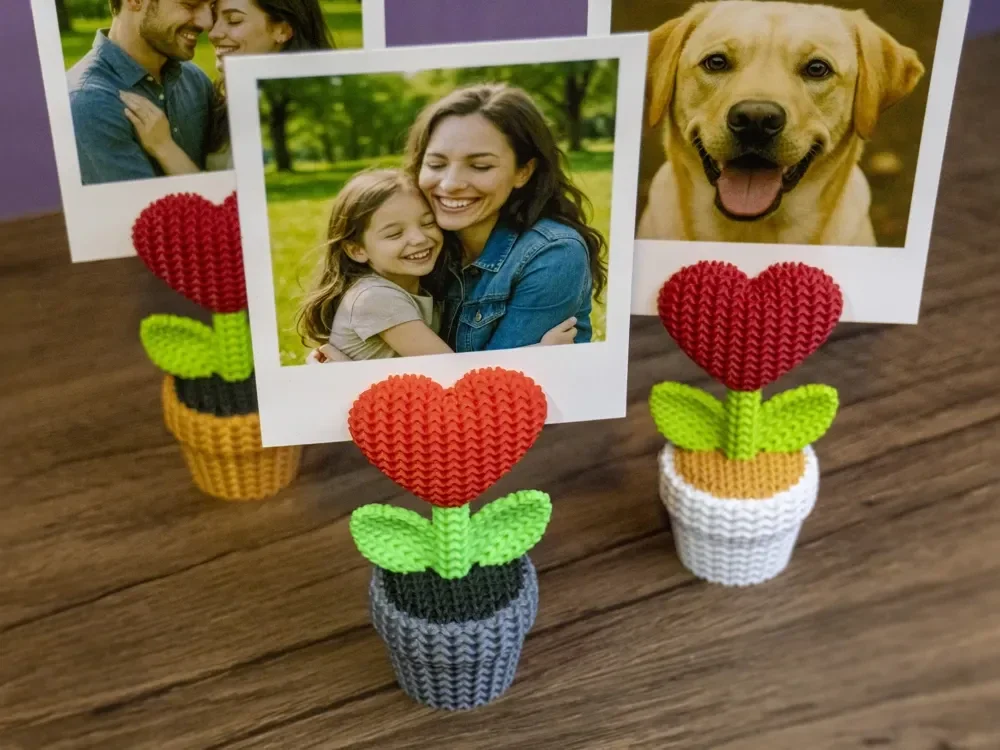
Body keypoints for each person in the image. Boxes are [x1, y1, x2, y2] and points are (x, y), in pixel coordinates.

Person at [296, 169, 577, 362]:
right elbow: (450, 375)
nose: (419, 239)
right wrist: (540, 352)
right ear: (357, 249)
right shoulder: (376, 298)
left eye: (428, 223)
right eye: (395, 234)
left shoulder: (416, 287)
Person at [407, 83, 608, 352]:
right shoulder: (414, 243)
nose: (450, 183)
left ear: (523, 172)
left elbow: (499, 388)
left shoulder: (553, 253)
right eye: (436, 164)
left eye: (480, 166)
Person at [120, 0, 334, 174]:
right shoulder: (221, 99)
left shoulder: (311, 110)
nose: (213, 33)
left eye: (233, 21)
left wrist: (164, 148)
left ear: (282, 30)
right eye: (216, 17)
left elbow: (234, 211)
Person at [68, 0, 215, 186]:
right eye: (190, 5)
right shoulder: (89, 103)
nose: (207, 22)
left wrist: (166, 149)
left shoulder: (196, 80)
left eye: (211, 6)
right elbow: (143, 212)